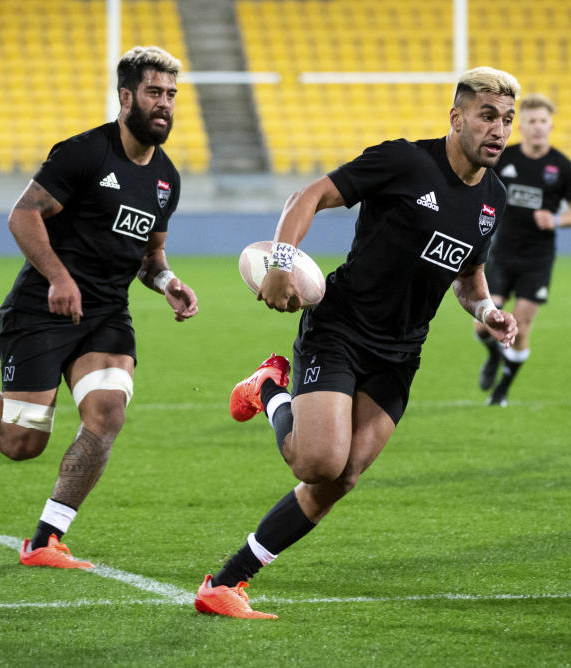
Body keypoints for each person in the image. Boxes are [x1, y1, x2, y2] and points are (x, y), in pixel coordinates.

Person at [193, 67, 520, 619]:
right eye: (488, 116)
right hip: (340, 329)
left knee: (343, 477)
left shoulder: (492, 199)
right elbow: (310, 195)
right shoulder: (405, 161)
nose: (499, 130)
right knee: (317, 462)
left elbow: (469, 281)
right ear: (457, 117)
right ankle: (271, 389)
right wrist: (280, 262)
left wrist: (489, 310)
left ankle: (225, 584)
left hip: (401, 354)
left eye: (507, 119)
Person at [0, 45, 198, 567]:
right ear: (125, 96)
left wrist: (168, 282)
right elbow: (23, 215)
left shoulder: (166, 180)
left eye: (172, 96)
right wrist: (58, 277)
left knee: (107, 411)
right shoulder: (83, 153)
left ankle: (46, 539)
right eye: (155, 93)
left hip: (106, 314)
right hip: (41, 309)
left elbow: (150, 256)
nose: (165, 105)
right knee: (23, 442)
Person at [474, 93, 571, 407]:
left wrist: (556, 219)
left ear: (550, 125)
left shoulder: (562, 167)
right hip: (501, 253)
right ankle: (494, 354)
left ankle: (502, 390)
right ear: (521, 126)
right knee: (483, 323)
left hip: (537, 258)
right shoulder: (503, 158)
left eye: (543, 121)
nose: (538, 127)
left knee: (520, 326)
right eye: (532, 121)